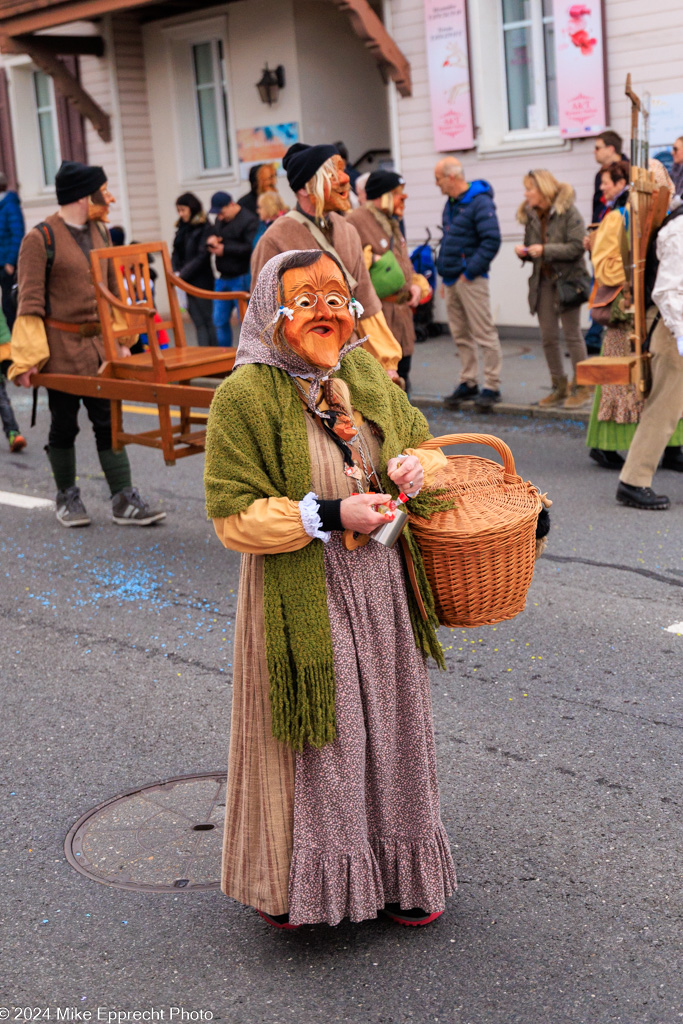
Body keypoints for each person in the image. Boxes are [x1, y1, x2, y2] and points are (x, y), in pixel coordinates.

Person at [204, 247, 456, 929]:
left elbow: (428, 449)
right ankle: (301, 887)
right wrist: (325, 513)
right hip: (301, 592)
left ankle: (402, 873)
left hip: (380, 583)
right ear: (271, 311)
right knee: (327, 744)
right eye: (305, 300)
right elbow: (232, 516)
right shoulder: (244, 396)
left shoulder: (363, 372)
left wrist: (411, 468)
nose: (325, 313)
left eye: (336, 298)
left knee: (395, 732)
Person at [7, 160, 164, 528]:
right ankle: (67, 496)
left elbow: (112, 293)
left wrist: (125, 341)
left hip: (101, 350)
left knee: (109, 419)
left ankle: (123, 497)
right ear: (82, 195)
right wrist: (28, 359)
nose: (107, 198)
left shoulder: (101, 232)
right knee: (64, 424)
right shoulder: (39, 238)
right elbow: (29, 301)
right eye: (101, 190)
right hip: (59, 350)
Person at [251, 142, 402, 377]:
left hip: (350, 362)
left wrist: (386, 360)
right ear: (304, 188)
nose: (345, 179)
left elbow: (366, 301)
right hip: (300, 370)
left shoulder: (347, 230)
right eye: (332, 174)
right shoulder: (275, 240)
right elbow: (264, 318)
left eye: (342, 171)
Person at [616, 193, 683, 509]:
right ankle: (633, 481)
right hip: (674, 330)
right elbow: (668, 290)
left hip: (675, 327)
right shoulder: (679, 227)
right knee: (663, 409)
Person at [347, 170, 430, 394]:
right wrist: (370, 258)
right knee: (382, 389)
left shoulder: (391, 220)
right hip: (378, 319)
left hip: (402, 318)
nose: (403, 198)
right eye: (396, 193)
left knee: (404, 383)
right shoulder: (355, 221)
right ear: (381, 195)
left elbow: (405, 264)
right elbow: (347, 264)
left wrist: (415, 285)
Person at [515, 170, 591, 409]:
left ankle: (583, 387)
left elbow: (578, 247)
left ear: (543, 189)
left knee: (572, 335)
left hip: (568, 281)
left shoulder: (567, 210)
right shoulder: (532, 214)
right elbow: (533, 246)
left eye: (530, 189)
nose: (526, 194)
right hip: (544, 282)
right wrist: (526, 253)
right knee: (548, 337)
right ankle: (559, 387)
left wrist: (544, 250)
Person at [434, 157, 503, 411]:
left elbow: (492, 240)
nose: (436, 184)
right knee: (461, 334)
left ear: (451, 177)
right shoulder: (451, 203)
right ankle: (469, 381)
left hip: (470, 280)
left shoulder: (480, 202)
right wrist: (445, 274)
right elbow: (449, 239)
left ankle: (492, 385)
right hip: (452, 279)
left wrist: (469, 272)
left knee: (484, 333)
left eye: (438, 178)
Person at [585, 131, 629, 355]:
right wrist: (594, 233)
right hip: (603, 248)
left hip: (615, 266)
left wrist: (600, 242)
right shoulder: (601, 177)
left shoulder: (623, 205)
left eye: (597, 147)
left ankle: (595, 334)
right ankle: (595, 334)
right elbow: (598, 212)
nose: (595, 152)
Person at [206, 191, 258, 347]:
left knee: (246, 323)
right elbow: (215, 234)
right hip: (222, 277)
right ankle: (225, 356)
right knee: (218, 320)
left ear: (231, 204)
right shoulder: (220, 220)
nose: (219, 217)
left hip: (241, 276)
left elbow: (250, 248)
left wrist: (225, 249)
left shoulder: (249, 221)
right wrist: (211, 240)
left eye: (221, 213)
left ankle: (248, 357)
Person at [172, 191, 217, 347]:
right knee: (198, 322)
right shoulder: (181, 228)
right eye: (178, 210)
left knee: (208, 320)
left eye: (183, 210)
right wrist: (176, 271)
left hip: (201, 280)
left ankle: (215, 356)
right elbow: (175, 252)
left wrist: (181, 274)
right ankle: (205, 355)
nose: (181, 214)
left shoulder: (204, 226)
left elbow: (202, 255)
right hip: (185, 281)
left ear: (192, 208)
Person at [0, 171, 25, 331]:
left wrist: (10, 261)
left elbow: (18, 234)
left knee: (10, 303)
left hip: (7, 264)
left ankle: (16, 335)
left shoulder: (10, 206)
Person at [0, 303, 25, 451]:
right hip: (3, 349)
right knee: (2, 398)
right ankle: (13, 433)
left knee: (1, 398)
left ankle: (13, 433)